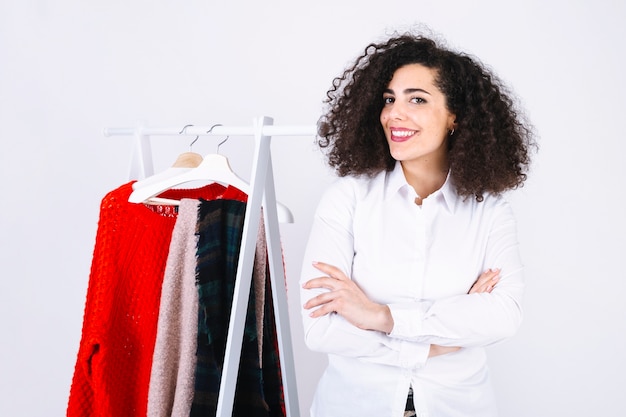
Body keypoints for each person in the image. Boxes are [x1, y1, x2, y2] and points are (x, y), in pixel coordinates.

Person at [299, 31, 536, 417]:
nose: (395, 113)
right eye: (390, 99)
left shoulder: (488, 211)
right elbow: (321, 328)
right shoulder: (348, 199)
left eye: (418, 100)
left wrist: (382, 317)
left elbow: (503, 315)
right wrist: (443, 339)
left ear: (454, 118)